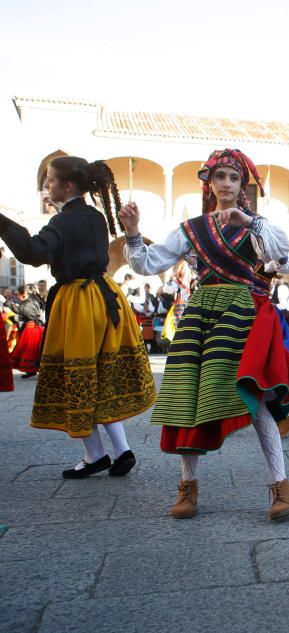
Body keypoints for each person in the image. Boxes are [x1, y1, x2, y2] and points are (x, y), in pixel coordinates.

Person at [121, 148, 289, 521]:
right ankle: (187, 487)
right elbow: (147, 263)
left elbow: (288, 258)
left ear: (242, 186)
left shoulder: (257, 225)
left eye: (233, 177)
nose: (226, 183)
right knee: (189, 401)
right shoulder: (191, 229)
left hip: (241, 316)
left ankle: (282, 485)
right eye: (220, 176)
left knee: (251, 397)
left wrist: (249, 221)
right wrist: (133, 233)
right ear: (209, 183)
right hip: (203, 315)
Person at [0, 156, 156, 477]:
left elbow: (34, 252)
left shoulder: (62, 222)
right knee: (100, 376)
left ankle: (95, 454)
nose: (48, 187)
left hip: (77, 303)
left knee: (78, 377)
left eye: (51, 181)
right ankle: (122, 449)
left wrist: (3, 224)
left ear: (67, 185)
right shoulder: (96, 217)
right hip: (105, 297)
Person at [10, 284, 44, 377]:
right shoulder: (30, 301)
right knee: (32, 349)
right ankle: (32, 369)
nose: (18, 297)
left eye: (19, 294)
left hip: (32, 328)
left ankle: (33, 368)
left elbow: (28, 314)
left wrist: (14, 310)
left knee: (30, 349)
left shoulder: (28, 302)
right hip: (31, 327)